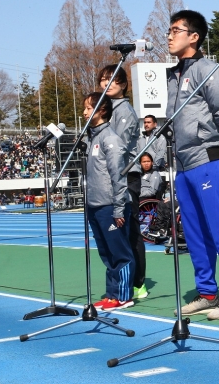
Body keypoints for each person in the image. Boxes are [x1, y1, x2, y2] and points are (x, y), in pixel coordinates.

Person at [166, 9, 219, 320]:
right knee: (194, 233)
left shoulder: (207, 68)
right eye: (169, 30)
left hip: (209, 158)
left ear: (194, 36)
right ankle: (207, 292)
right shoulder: (174, 75)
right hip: (184, 164)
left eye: (176, 30)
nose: (169, 36)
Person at [97, 64, 148, 300]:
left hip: (127, 174)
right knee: (115, 232)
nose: (106, 84)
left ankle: (137, 282)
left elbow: (120, 148)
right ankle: (119, 282)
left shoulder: (124, 111)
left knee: (130, 229)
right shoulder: (102, 108)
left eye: (112, 80)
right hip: (109, 176)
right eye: (103, 80)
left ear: (124, 85)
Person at [84, 92, 134, 311]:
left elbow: (118, 175)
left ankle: (124, 296)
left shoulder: (110, 138)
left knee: (119, 252)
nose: (84, 112)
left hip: (110, 205)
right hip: (94, 205)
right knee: (106, 253)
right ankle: (112, 293)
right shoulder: (91, 137)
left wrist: (119, 208)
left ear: (101, 110)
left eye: (88, 108)